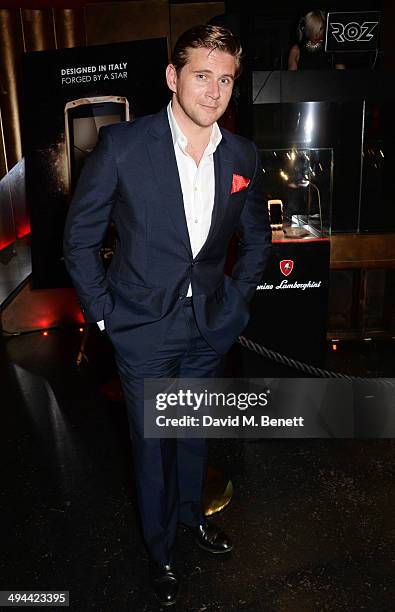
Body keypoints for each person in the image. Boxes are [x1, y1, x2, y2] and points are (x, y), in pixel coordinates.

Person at [63, 24, 271, 607]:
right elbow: (78, 240)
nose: (214, 91)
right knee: (152, 445)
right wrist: (104, 316)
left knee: (195, 432)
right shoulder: (124, 146)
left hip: (210, 325)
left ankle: (190, 520)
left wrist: (238, 298)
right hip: (141, 329)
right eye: (202, 75)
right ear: (173, 77)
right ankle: (159, 551)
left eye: (225, 79)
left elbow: (256, 240)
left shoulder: (243, 154)